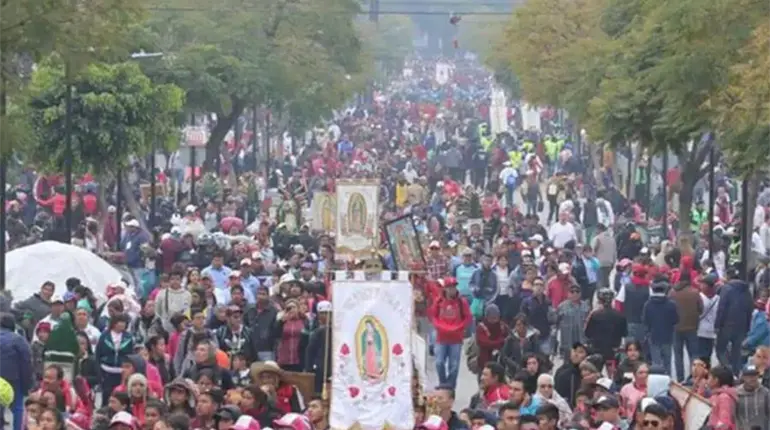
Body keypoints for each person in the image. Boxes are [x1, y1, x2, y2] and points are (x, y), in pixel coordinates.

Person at [428, 276, 472, 389]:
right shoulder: (438, 301)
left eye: (454, 287)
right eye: (449, 287)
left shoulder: (462, 302)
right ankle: (443, 384)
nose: (452, 289)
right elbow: (433, 316)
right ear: (445, 288)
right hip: (441, 338)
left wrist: (458, 327)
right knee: (439, 363)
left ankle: (451, 387)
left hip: (456, 339)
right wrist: (441, 327)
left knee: (454, 366)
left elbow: (468, 318)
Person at [715, 267, 753, 374]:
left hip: (726, 325)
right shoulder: (746, 290)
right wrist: (748, 326)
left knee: (720, 350)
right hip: (741, 325)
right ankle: (736, 373)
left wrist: (717, 325)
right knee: (737, 352)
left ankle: (727, 371)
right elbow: (750, 308)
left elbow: (721, 308)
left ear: (728, 277)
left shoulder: (726, 289)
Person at [0, 313, 32, 430]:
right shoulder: (19, 340)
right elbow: (26, 363)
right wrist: (27, 385)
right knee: (17, 408)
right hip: (13, 379)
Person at [669, 273, 703, 382]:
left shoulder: (672, 292)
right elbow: (701, 308)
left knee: (678, 355)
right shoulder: (695, 292)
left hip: (676, 327)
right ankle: (694, 378)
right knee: (693, 354)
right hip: (692, 327)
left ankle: (680, 379)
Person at [642, 278, 678, 375]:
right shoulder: (671, 304)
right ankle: (668, 379)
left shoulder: (648, 304)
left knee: (656, 362)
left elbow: (645, 321)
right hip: (667, 336)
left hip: (653, 337)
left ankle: (656, 380)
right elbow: (675, 320)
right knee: (667, 362)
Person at [736, 364, 770, 430]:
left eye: (755, 375)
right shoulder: (736, 393)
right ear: (743, 377)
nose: (753, 378)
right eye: (749, 376)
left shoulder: (765, 393)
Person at [707, 365, 738, 430]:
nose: (707, 381)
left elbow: (724, 422)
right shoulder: (715, 396)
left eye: (709, 377)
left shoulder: (724, 397)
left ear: (716, 380)